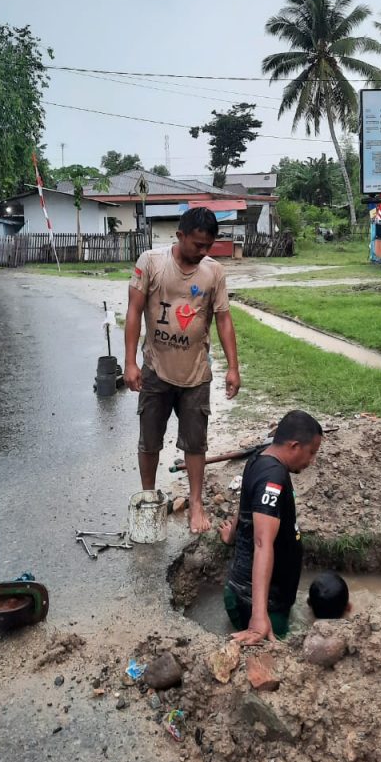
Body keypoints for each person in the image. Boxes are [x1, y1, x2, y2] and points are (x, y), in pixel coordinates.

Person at [124, 207, 241, 534]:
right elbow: (134, 311)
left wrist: (234, 367)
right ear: (180, 236)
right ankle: (149, 499)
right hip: (155, 371)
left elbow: (224, 319)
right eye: (197, 245)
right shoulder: (151, 263)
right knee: (149, 440)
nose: (202, 252)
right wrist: (130, 362)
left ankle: (197, 504)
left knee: (195, 443)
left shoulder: (213, 272)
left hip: (195, 375)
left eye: (208, 246)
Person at [220, 410, 322, 644]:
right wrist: (258, 618)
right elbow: (262, 543)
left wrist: (232, 535)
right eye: (312, 452)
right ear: (295, 446)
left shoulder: (259, 457)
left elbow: (246, 506)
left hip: (257, 595)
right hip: (261, 604)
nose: (312, 460)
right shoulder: (273, 479)